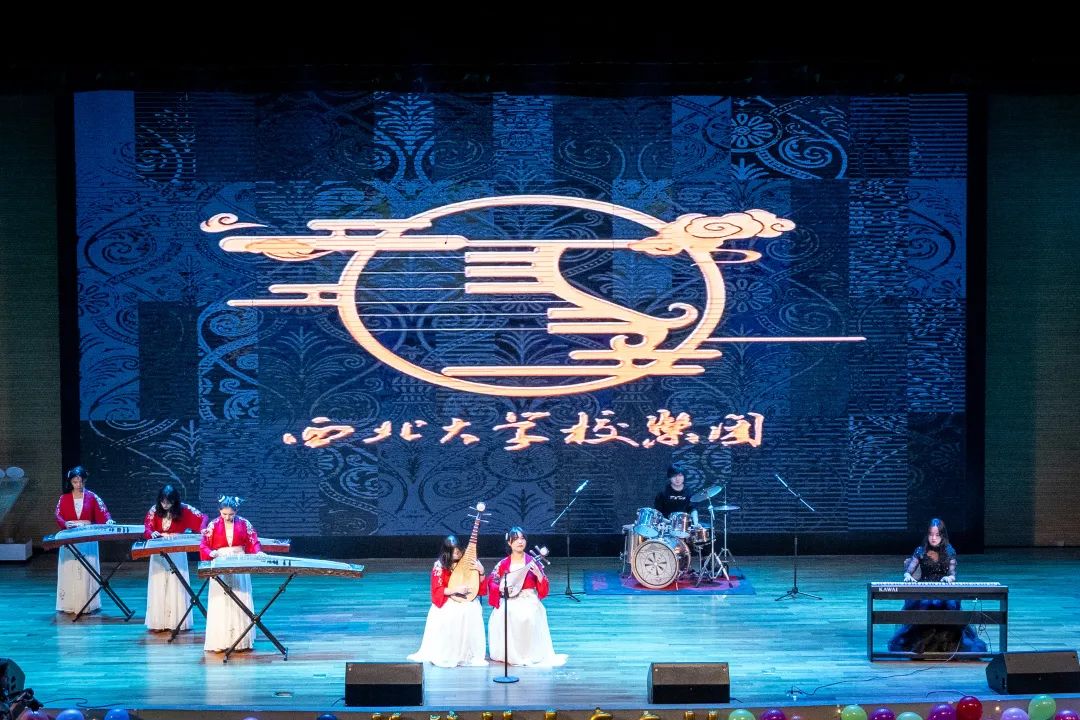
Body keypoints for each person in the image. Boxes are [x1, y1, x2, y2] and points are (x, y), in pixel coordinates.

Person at [887, 518, 988, 655]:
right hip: (925, 590)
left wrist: (949, 578)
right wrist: (908, 576)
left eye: (937, 535)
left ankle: (946, 644)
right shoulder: (920, 551)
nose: (933, 538)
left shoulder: (949, 551)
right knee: (924, 604)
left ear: (942, 535)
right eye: (930, 534)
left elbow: (952, 575)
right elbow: (908, 571)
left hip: (943, 591)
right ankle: (922, 643)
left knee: (947, 605)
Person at [487, 527, 566, 667]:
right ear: (509, 543)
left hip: (528, 598)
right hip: (510, 599)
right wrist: (501, 588)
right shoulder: (503, 563)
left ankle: (528, 653)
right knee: (504, 614)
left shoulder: (532, 562)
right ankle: (509, 653)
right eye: (516, 539)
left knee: (528, 615)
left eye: (522, 538)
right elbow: (492, 581)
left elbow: (544, 587)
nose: (520, 542)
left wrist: (539, 575)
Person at [407, 535, 489, 667]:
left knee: (471, 610)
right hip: (448, 599)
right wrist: (455, 590)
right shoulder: (440, 566)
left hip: (467, 600)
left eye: (458, 549)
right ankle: (449, 653)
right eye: (453, 550)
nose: (456, 552)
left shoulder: (469, 561)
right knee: (450, 614)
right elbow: (437, 589)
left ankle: (467, 654)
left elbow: (479, 588)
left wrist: (482, 571)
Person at [199, 496, 262, 653]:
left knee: (240, 596)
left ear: (236, 511)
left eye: (231, 514)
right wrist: (211, 552)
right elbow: (203, 545)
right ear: (219, 511)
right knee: (221, 599)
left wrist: (258, 552)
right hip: (221, 561)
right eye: (224, 514)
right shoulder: (213, 525)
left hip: (239, 560)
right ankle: (221, 640)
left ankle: (241, 640)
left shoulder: (244, 523)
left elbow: (253, 541)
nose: (227, 517)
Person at [143, 485, 208, 632]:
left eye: (168, 502)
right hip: (158, 549)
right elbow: (147, 526)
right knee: (158, 581)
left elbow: (203, 518)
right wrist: (151, 533)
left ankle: (177, 620)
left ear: (175, 501)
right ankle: (158, 622)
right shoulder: (154, 510)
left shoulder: (184, 509)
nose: (165, 505)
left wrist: (203, 529)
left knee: (176, 582)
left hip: (177, 549)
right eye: (162, 501)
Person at [54, 466, 115, 614]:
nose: (78, 485)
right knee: (70, 567)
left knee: (87, 568)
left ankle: (88, 603)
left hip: (87, 536)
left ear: (84, 481)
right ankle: (69, 604)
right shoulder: (64, 498)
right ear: (71, 482)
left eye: (81, 481)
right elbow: (58, 514)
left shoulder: (92, 496)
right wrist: (64, 523)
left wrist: (108, 520)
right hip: (70, 535)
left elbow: (103, 512)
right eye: (75, 482)